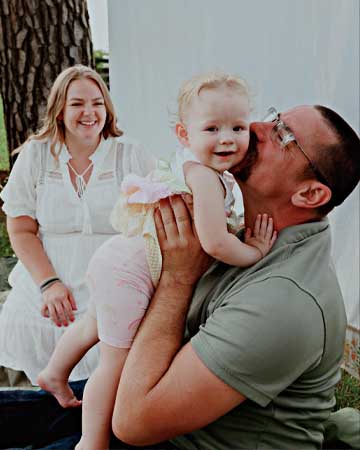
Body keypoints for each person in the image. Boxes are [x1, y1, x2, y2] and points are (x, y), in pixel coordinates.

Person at [0, 103, 359, 450]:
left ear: (310, 193)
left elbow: (133, 423)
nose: (254, 128)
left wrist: (177, 277)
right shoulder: (240, 232)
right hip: (151, 395)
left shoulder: (284, 301)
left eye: (283, 135)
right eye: (273, 117)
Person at [37, 72, 277, 450]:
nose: (227, 138)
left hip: (118, 258)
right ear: (185, 135)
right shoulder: (205, 178)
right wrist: (255, 251)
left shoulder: (191, 164)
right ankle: (92, 440)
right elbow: (215, 242)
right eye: (212, 128)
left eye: (238, 127)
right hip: (131, 273)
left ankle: (55, 371)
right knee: (115, 361)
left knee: (95, 323)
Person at [0, 65, 154, 387]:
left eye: (97, 103)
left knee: (111, 360)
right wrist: (49, 284)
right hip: (46, 279)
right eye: (77, 103)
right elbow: (21, 229)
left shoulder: (130, 155)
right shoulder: (37, 155)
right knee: (22, 323)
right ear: (59, 111)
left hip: (111, 279)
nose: (89, 112)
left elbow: (151, 225)